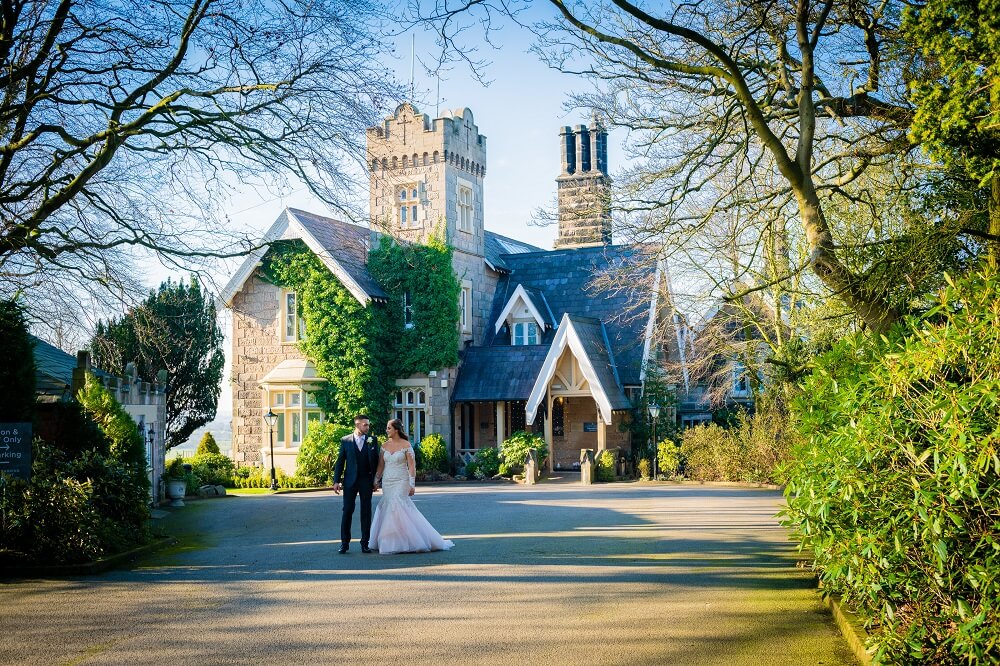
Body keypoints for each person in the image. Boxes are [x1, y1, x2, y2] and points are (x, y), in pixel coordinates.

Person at [370, 418, 454, 554]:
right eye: (387, 428)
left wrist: (412, 484)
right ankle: (397, 540)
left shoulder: (406, 445)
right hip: (387, 482)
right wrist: (375, 480)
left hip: (401, 480)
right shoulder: (384, 446)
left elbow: (412, 465)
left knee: (396, 505)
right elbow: (380, 466)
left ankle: (395, 544)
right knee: (389, 507)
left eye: (389, 428)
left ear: (396, 430)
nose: (386, 431)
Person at [333, 414, 380, 554]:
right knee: (347, 511)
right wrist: (336, 481)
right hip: (349, 482)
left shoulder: (373, 440)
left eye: (368, 424)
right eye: (365, 424)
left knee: (366, 512)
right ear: (357, 425)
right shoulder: (345, 441)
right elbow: (340, 462)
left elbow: (377, 461)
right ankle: (344, 544)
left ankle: (365, 543)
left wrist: (377, 480)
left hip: (366, 481)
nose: (368, 427)